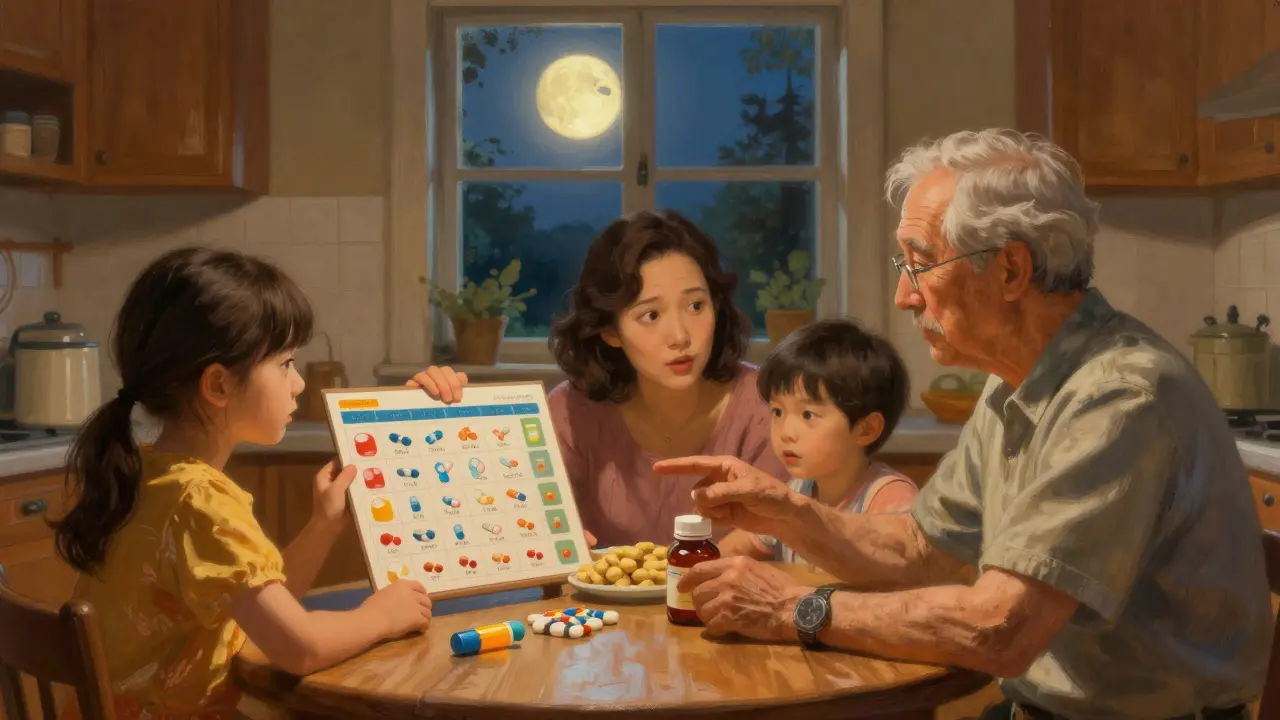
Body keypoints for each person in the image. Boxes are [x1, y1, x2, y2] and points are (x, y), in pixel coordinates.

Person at [654, 129, 1273, 719]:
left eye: (919, 264)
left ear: (1011, 271)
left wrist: (792, 608)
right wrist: (787, 511)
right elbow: (924, 547)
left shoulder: (1119, 398)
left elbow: (999, 628)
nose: (903, 295)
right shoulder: (1017, 380)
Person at [51, 247, 434, 720]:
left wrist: (322, 526)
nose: (298, 384)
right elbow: (300, 649)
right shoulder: (201, 503)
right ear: (219, 385)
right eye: (285, 364)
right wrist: (380, 617)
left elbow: (260, 613)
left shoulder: (152, 473)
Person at [410, 210, 788, 549]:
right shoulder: (571, 412)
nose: (680, 336)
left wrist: (673, 580)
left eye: (695, 306)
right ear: (610, 330)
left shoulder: (767, 405)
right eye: (651, 315)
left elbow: (775, 531)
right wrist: (430, 421)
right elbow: (505, 517)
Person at [717, 317, 918, 565]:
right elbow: (739, 545)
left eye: (807, 415)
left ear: (866, 429)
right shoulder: (796, 490)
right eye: (778, 412)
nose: (786, 433)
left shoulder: (890, 500)